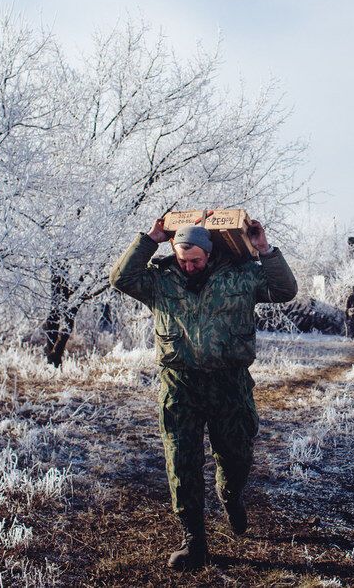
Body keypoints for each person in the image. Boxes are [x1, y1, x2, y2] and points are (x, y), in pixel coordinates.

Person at [109, 217, 298, 570]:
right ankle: (193, 540)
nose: (189, 265)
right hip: (179, 386)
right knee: (181, 463)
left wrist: (264, 250)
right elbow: (120, 278)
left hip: (229, 384)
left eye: (195, 260)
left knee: (236, 455)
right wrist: (150, 240)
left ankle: (231, 495)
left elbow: (285, 290)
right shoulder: (159, 281)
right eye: (183, 259)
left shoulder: (241, 276)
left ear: (209, 255)